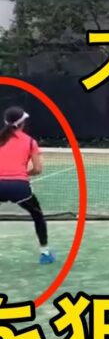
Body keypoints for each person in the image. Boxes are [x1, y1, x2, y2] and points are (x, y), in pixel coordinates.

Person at [0, 106, 55, 264]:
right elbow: (37, 169)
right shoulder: (30, 142)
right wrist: (23, 175)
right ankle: (45, 253)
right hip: (19, 187)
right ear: (22, 123)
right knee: (37, 215)